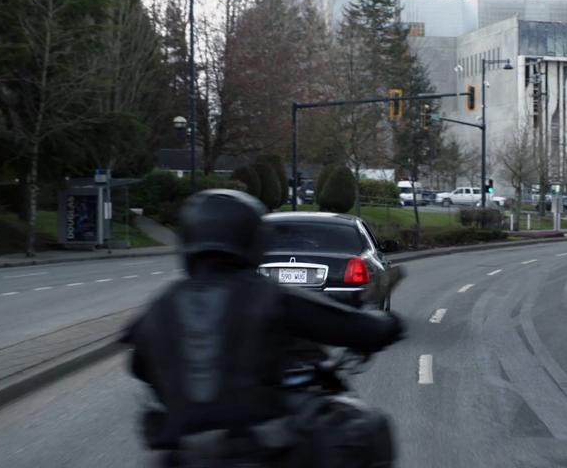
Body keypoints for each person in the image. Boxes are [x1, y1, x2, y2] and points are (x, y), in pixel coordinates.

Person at [121, 189, 404, 463]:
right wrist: (385, 323)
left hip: (186, 454)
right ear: (253, 241)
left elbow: (138, 365)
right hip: (258, 449)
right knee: (366, 429)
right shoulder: (267, 296)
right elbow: (348, 325)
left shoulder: (159, 306)